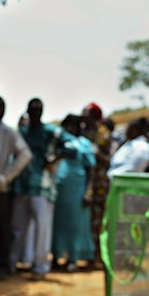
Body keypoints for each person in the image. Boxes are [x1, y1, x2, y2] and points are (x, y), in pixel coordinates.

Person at [11, 98, 61, 281]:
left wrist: (54, 159)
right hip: (22, 185)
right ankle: (13, 262)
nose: (34, 113)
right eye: (32, 109)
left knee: (42, 229)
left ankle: (40, 267)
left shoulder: (50, 132)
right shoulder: (22, 133)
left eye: (38, 109)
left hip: (42, 187)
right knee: (18, 227)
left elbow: (71, 147)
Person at [0, 96, 31, 280]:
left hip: (1, 188)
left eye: (1, 108)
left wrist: (6, 177)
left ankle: (2, 266)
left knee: (2, 229)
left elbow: (25, 154)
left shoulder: (8, 132)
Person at [51, 114, 96, 272]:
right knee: (58, 224)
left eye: (73, 125)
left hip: (77, 190)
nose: (70, 129)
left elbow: (91, 170)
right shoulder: (59, 143)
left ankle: (74, 258)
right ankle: (56, 256)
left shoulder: (84, 144)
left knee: (76, 225)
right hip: (59, 189)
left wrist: (88, 192)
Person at [81, 103, 112, 268]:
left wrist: (96, 154)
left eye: (85, 112)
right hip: (82, 182)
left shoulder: (103, 134)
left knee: (98, 221)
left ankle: (97, 256)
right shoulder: (83, 133)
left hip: (99, 184)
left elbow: (109, 160)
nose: (82, 115)